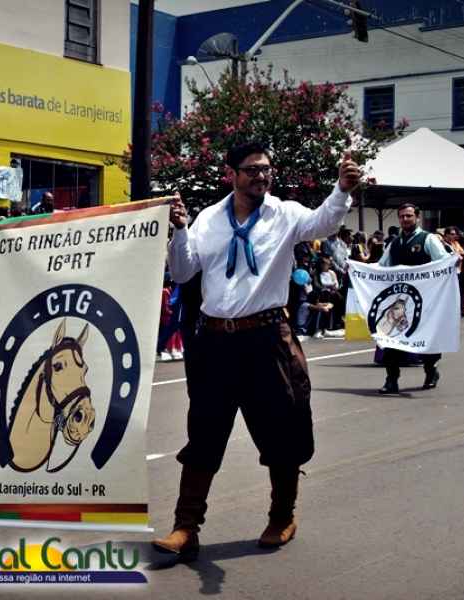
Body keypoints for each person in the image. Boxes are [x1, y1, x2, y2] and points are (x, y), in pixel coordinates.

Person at [153, 141, 361, 559]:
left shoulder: (285, 214)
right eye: (252, 169)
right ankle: (186, 528)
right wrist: (179, 230)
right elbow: (183, 270)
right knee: (204, 433)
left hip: (266, 339)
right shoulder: (209, 219)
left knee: (282, 430)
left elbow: (323, 223)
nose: (261, 176)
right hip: (215, 342)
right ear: (231, 174)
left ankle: (282, 517)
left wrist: (341, 189)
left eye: (266, 168)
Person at [376, 204, 450, 394]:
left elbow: (443, 262)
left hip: (425, 299)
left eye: (409, 216)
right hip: (400, 299)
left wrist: (452, 262)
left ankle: (431, 371)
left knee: (426, 338)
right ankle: (391, 380)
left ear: (417, 217)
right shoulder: (394, 243)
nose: (405, 219)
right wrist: (358, 268)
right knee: (391, 337)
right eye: (402, 216)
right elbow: (381, 266)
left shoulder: (428, 239)